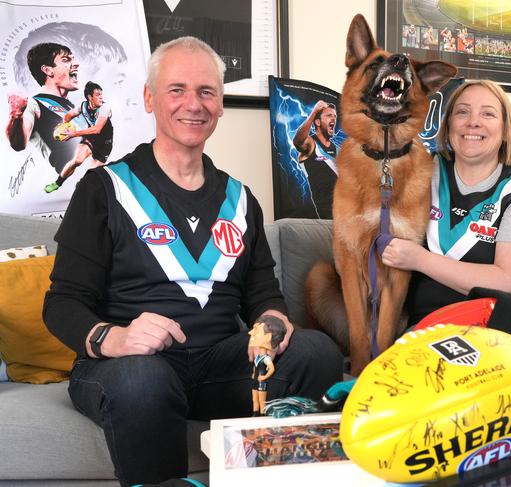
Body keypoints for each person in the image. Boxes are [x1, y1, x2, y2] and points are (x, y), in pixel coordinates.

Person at [43, 36, 343, 487]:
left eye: (206, 91)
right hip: (124, 368)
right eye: (176, 89)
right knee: (144, 380)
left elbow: (264, 297)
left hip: (219, 365)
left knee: (316, 351)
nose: (193, 104)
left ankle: (270, 476)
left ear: (221, 104)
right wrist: (115, 337)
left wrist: (273, 325)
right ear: (149, 98)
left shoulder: (240, 199)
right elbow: (61, 304)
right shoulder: (103, 188)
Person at [381, 80, 511, 326]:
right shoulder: (421, 171)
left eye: (487, 114)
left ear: (505, 130)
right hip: (427, 327)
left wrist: (420, 259)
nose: (473, 122)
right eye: (462, 112)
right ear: (448, 127)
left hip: (497, 327)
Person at [5, 42, 80, 175]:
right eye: (66, 60)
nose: (76, 64)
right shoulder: (32, 104)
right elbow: (18, 144)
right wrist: (15, 115)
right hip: (72, 184)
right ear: (48, 70)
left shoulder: (73, 107)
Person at [44, 81, 113, 193]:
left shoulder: (105, 108)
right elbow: (68, 115)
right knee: (77, 160)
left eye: (101, 94)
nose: (101, 97)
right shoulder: (83, 106)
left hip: (104, 144)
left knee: (92, 175)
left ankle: (82, 185)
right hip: (90, 139)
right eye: (97, 95)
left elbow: (97, 129)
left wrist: (74, 134)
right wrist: (64, 126)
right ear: (89, 97)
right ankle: (57, 183)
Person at [292, 100, 338, 219]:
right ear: (317, 122)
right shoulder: (311, 144)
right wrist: (314, 113)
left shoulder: (336, 148)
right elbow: (298, 141)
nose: (333, 118)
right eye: (329, 115)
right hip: (326, 213)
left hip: (345, 208)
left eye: (335, 116)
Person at [249, 315, 287, 416]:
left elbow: (271, 369)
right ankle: (255, 413)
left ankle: (262, 415)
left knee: (262, 401)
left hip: (262, 381)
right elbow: (256, 366)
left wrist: (265, 376)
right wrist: (254, 373)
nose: (250, 333)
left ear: (268, 337)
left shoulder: (266, 358)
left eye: (256, 331)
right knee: (254, 399)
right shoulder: (258, 357)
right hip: (255, 380)